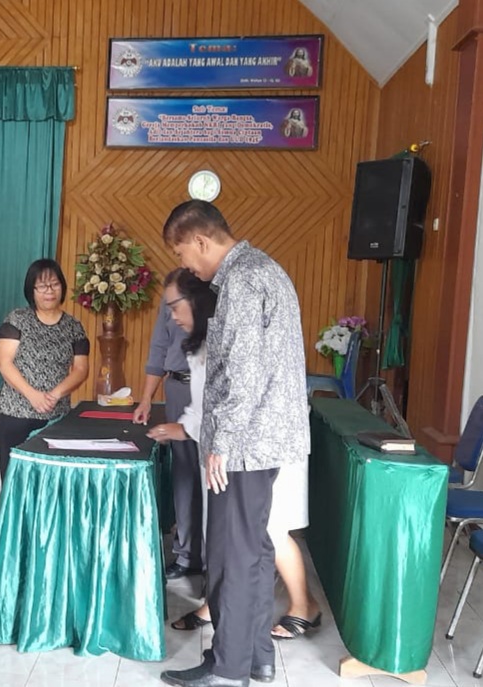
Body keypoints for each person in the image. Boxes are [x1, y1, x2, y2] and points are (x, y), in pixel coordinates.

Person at [158, 201, 309, 687]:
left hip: (244, 443)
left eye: (182, 253)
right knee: (254, 548)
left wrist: (220, 442)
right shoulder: (264, 269)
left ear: (200, 240)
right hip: (264, 438)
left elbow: (242, 373)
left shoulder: (242, 279)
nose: (186, 265)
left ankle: (227, 669)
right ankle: (256, 657)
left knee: (231, 554)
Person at [148, 269, 320, 643]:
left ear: (196, 302)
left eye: (174, 306)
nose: (171, 317)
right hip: (225, 449)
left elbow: (231, 401)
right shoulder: (200, 342)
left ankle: (303, 605)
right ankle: (216, 603)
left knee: (271, 528)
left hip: (263, 445)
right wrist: (181, 427)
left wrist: (188, 428)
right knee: (222, 529)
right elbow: (204, 406)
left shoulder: (229, 338)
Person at [133, 279, 203, 581]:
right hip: (178, 387)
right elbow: (159, 346)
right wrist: (146, 398)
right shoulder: (173, 291)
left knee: (214, 476)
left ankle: (215, 559)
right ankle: (187, 554)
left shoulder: (216, 288)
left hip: (211, 388)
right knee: (184, 474)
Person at [0, 259, 90, 480]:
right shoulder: (17, 320)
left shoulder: (74, 327)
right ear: (32, 289)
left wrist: (55, 395)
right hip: (16, 413)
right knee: (15, 478)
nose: (49, 291)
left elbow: (81, 369)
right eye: (42, 286)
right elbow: (3, 362)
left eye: (55, 284)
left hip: (56, 414)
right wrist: (33, 395)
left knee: (51, 479)